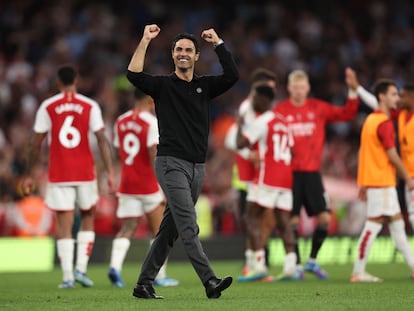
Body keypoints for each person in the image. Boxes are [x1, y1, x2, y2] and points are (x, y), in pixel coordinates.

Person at [126, 24, 238, 299]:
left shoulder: (205, 86)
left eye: (188, 50)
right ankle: (209, 281)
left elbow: (233, 75)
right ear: (173, 55)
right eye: (178, 50)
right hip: (170, 163)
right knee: (189, 223)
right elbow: (133, 74)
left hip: (197, 168)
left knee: (170, 230)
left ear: (197, 56)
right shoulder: (162, 86)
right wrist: (144, 40)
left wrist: (219, 43)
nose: (183, 54)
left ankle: (143, 284)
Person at [21, 65, 115, 288]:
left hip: (59, 173)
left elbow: (35, 144)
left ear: (57, 83)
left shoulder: (48, 106)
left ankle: (67, 277)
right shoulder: (90, 105)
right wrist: (109, 171)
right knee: (87, 217)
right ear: (77, 80)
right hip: (85, 173)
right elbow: (102, 139)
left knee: (64, 224)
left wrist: (28, 174)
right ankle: (81, 269)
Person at [274, 69, 360, 279]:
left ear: (308, 88)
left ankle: (312, 261)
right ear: (289, 88)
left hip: (312, 174)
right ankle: (295, 265)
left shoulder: (317, 108)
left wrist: (353, 91)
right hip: (290, 175)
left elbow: (347, 113)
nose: (299, 91)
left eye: (302, 87)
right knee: (291, 221)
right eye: (295, 87)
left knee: (324, 218)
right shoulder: (280, 111)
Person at [108, 88, 178, 287]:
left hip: (128, 183)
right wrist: (162, 185)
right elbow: (153, 155)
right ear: (149, 99)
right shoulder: (150, 122)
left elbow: (117, 152)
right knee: (159, 231)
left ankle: (115, 267)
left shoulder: (120, 121)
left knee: (128, 228)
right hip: (148, 184)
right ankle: (160, 275)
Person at [350, 79, 414, 282]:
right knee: (374, 224)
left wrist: (362, 181)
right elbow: (392, 153)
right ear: (383, 97)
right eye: (395, 94)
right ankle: (358, 271)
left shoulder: (371, 120)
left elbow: (363, 152)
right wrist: (406, 176)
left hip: (379, 181)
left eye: (400, 94)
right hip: (383, 181)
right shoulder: (386, 122)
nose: (398, 98)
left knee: (398, 227)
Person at [235, 85, 298, 281]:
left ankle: (259, 265)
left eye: (255, 98)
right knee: (284, 223)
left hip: (267, 177)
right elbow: (292, 151)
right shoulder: (284, 122)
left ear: (263, 99)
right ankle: (290, 267)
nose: (252, 102)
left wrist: (239, 124)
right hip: (286, 179)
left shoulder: (263, 121)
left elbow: (239, 143)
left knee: (251, 217)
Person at [346, 68, 414, 233]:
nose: (399, 99)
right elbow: (378, 103)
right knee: (410, 218)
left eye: (402, 95)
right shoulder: (402, 115)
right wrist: (358, 89)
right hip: (409, 177)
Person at [224, 68, 277, 277]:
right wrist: (248, 155)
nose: (271, 92)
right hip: (249, 173)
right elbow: (232, 140)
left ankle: (253, 262)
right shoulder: (247, 108)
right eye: (267, 87)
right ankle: (253, 262)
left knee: (260, 219)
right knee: (258, 219)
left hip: (261, 172)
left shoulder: (263, 110)